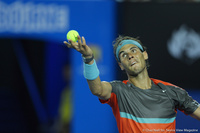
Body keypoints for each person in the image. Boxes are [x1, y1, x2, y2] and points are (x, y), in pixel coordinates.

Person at [63, 35, 200, 133]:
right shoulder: (119, 90)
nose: (130, 55)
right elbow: (97, 89)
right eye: (123, 55)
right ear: (121, 65)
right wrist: (88, 57)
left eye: (133, 50)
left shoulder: (173, 92)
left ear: (144, 54)